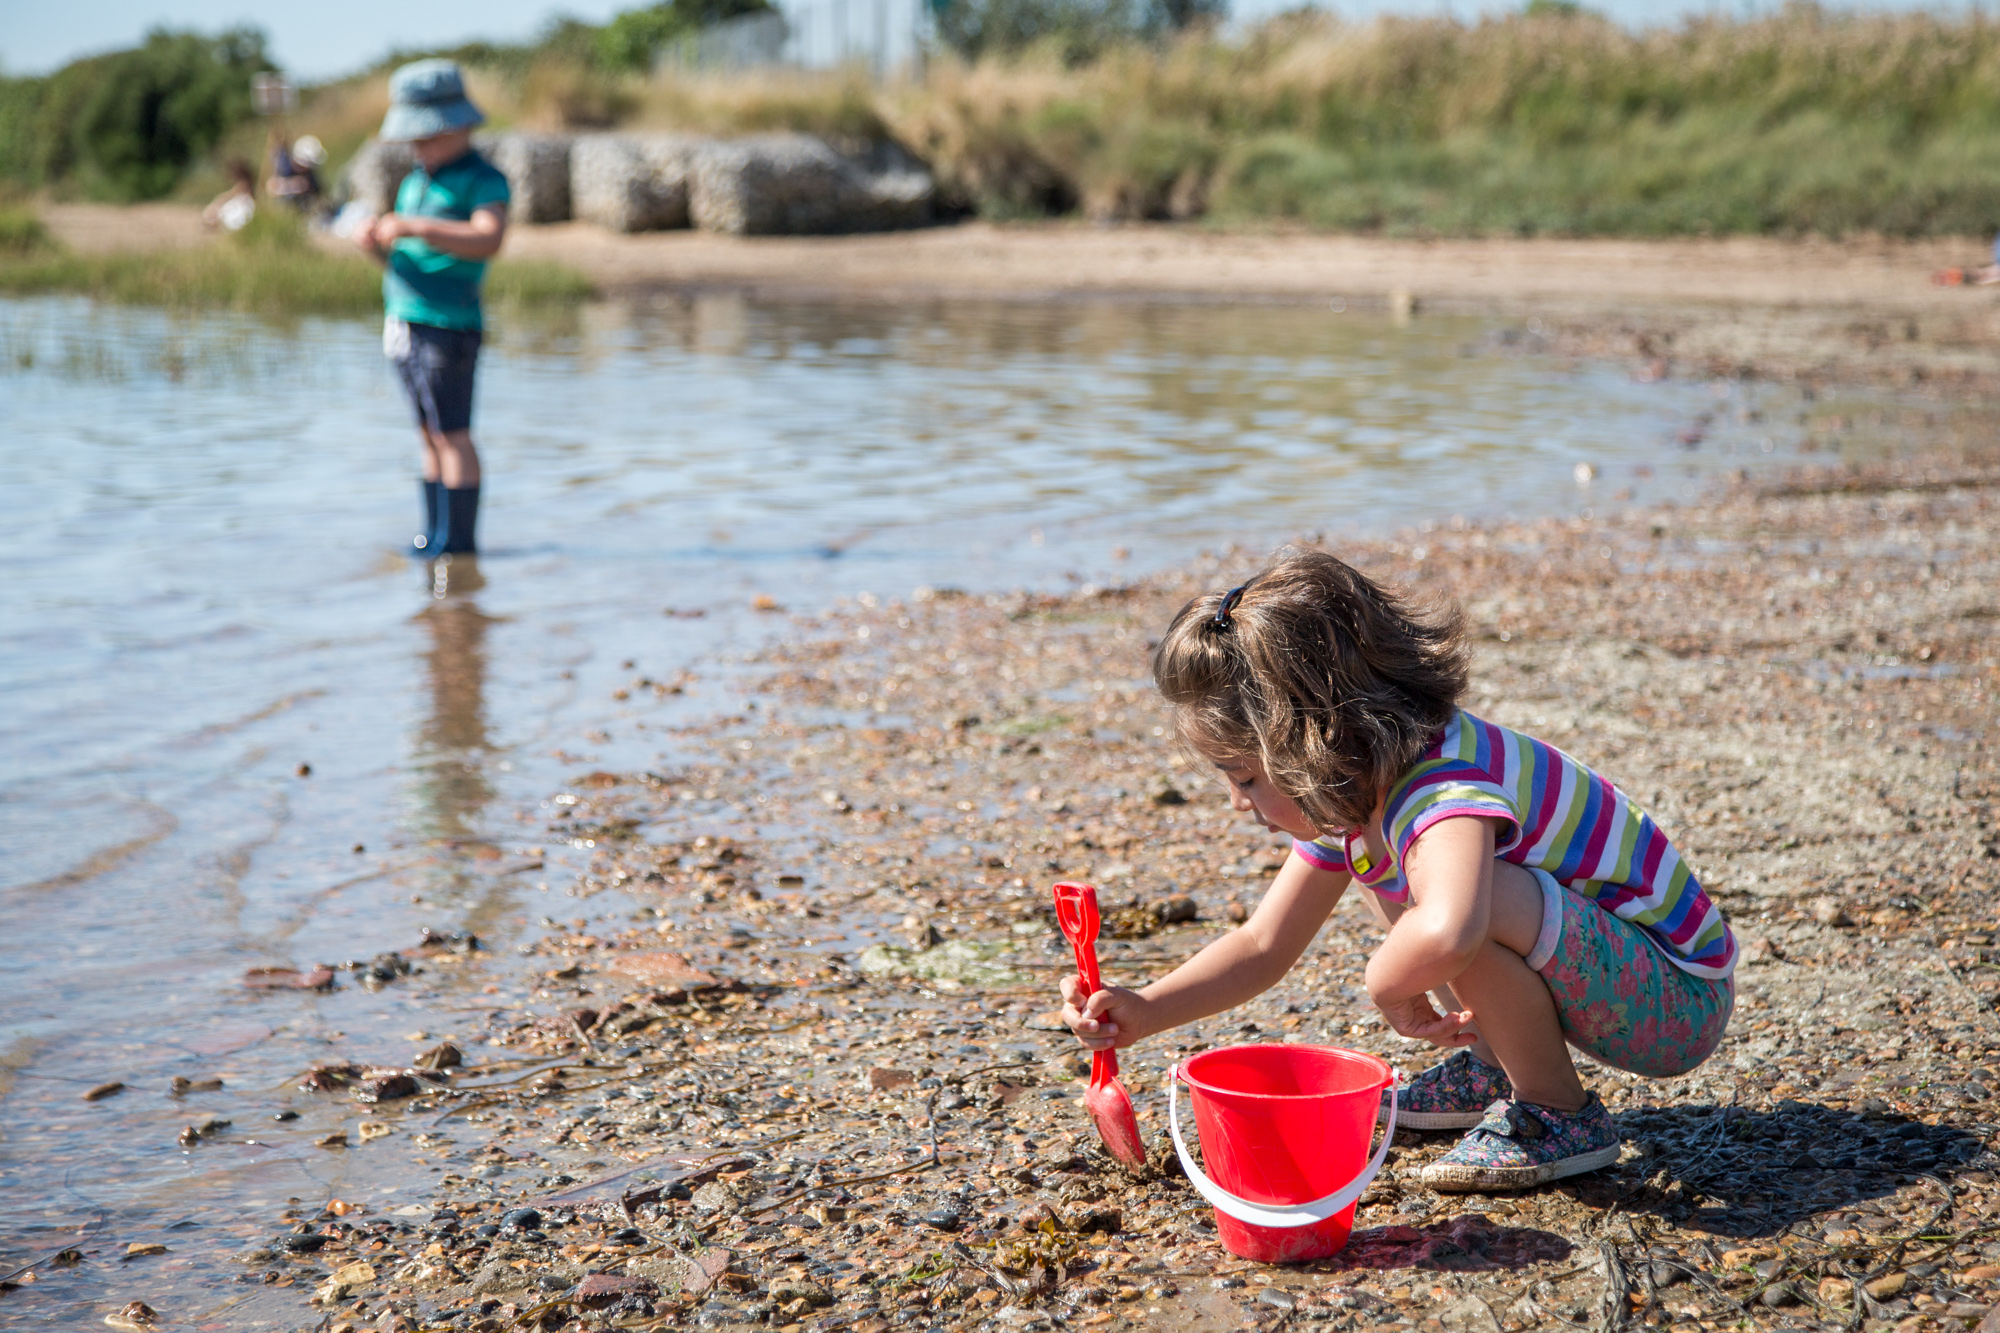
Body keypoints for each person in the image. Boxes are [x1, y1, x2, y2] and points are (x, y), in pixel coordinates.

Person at [1060, 547, 1736, 1191]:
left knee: (1461, 900)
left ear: (1308, 739)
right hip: (1615, 979)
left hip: (1675, 1001)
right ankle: (1495, 1062)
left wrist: (1387, 980)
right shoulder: (1357, 791)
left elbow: (1449, 929)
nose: (1238, 802)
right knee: (1404, 880)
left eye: (1244, 776)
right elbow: (1263, 946)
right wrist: (1145, 1009)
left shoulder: (1441, 787)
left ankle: (1559, 1109)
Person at [353, 59, 509, 558]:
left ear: (460, 126)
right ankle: (434, 537)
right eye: (414, 140)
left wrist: (415, 226)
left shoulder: (482, 179)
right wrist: (374, 245)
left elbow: (489, 237)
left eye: (429, 137)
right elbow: (398, 260)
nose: (420, 147)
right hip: (405, 321)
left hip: (449, 325)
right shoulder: (416, 180)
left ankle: (460, 545)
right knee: (428, 433)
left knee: (454, 434)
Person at [266, 133, 325, 214]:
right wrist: (293, 186)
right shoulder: (284, 165)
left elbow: (320, 193)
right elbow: (271, 187)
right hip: (286, 210)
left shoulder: (310, 175)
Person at [201, 159, 257, 231]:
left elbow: (230, 195)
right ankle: (212, 221)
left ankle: (212, 221)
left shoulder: (243, 185)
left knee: (225, 211)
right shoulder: (246, 184)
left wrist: (219, 201)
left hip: (242, 207)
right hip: (242, 206)